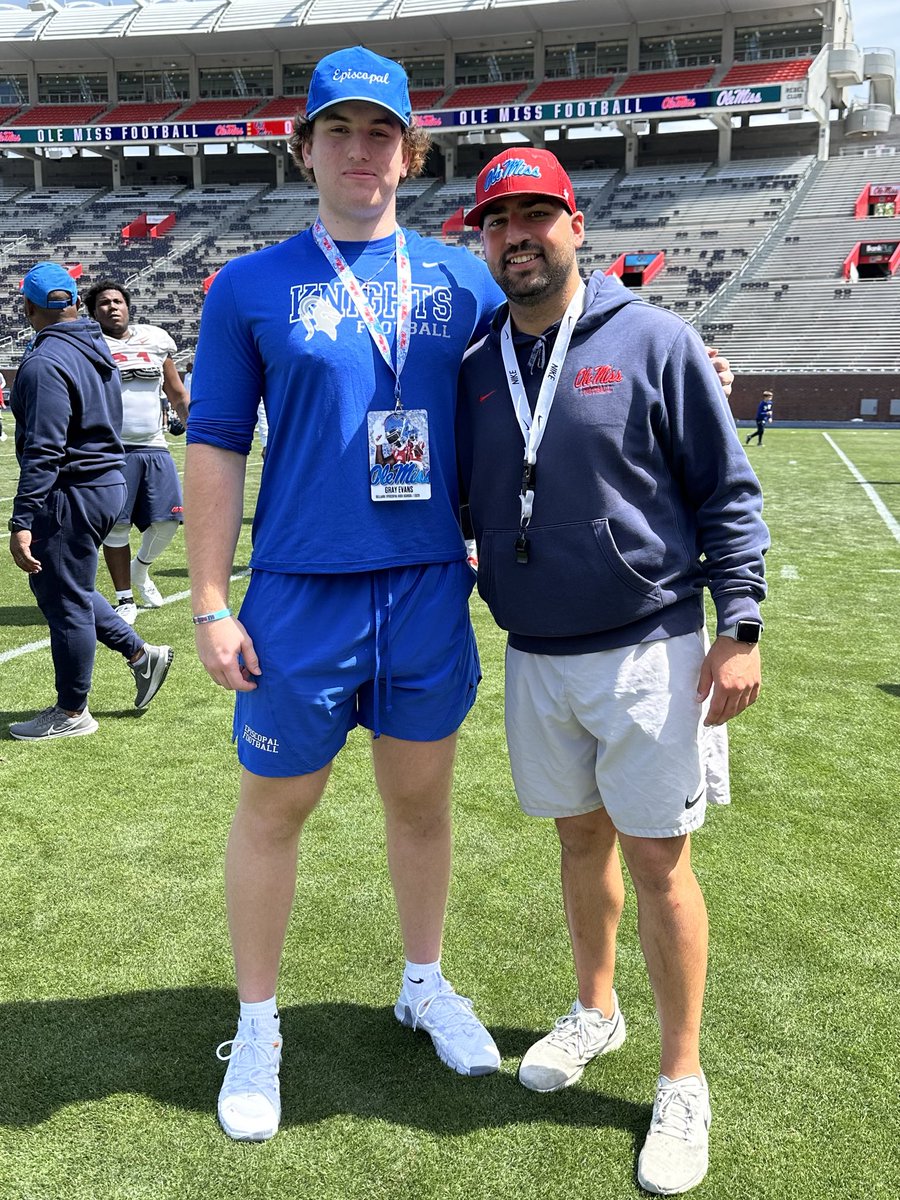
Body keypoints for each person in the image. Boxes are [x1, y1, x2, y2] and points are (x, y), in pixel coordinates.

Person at [183, 45, 507, 1144]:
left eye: (381, 134)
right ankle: (261, 1021)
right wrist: (212, 602)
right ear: (303, 147)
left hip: (424, 589)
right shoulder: (250, 284)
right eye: (340, 132)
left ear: (411, 155)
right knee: (277, 809)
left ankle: (422, 982)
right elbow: (218, 441)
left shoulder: (464, 280)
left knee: (421, 802)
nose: (360, 152)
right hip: (298, 597)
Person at [456, 149, 769, 1197]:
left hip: (650, 648)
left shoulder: (655, 338)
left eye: (536, 215)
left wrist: (743, 626)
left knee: (658, 861)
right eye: (498, 222)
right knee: (577, 840)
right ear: (482, 241)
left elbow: (727, 491)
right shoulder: (473, 363)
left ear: (575, 224)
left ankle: (683, 1077)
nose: (518, 236)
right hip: (537, 654)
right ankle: (597, 1007)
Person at [7, 263, 174, 741]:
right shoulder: (95, 346)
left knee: (64, 602)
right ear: (76, 305)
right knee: (67, 586)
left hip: (71, 489)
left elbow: (45, 448)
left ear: (28, 308)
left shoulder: (44, 362)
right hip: (105, 481)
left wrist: (22, 518)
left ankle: (73, 710)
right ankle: (142, 656)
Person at [83, 280, 190, 624]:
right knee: (117, 525)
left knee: (169, 519)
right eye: (103, 303)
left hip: (154, 444)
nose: (112, 307)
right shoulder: (88, 344)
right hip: (111, 448)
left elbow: (175, 392)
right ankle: (125, 597)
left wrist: (196, 427)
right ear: (93, 312)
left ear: (128, 306)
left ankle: (140, 570)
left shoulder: (156, 339)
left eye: (117, 301)